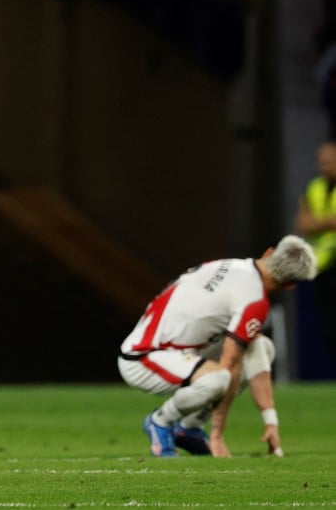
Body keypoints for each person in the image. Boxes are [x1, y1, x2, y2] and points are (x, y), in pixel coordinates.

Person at [117, 235, 317, 457]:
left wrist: (271, 422)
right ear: (289, 285)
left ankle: (189, 429)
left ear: (269, 253)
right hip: (143, 358)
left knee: (261, 346)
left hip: (172, 347)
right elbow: (230, 363)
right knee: (219, 378)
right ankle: (160, 422)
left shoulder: (231, 265)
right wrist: (217, 433)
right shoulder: (254, 300)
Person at [295, 141, 336, 355]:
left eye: (330, 161)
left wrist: (318, 224)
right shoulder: (315, 187)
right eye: (322, 162)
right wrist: (328, 222)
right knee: (329, 325)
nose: (325, 166)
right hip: (322, 265)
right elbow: (304, 224)